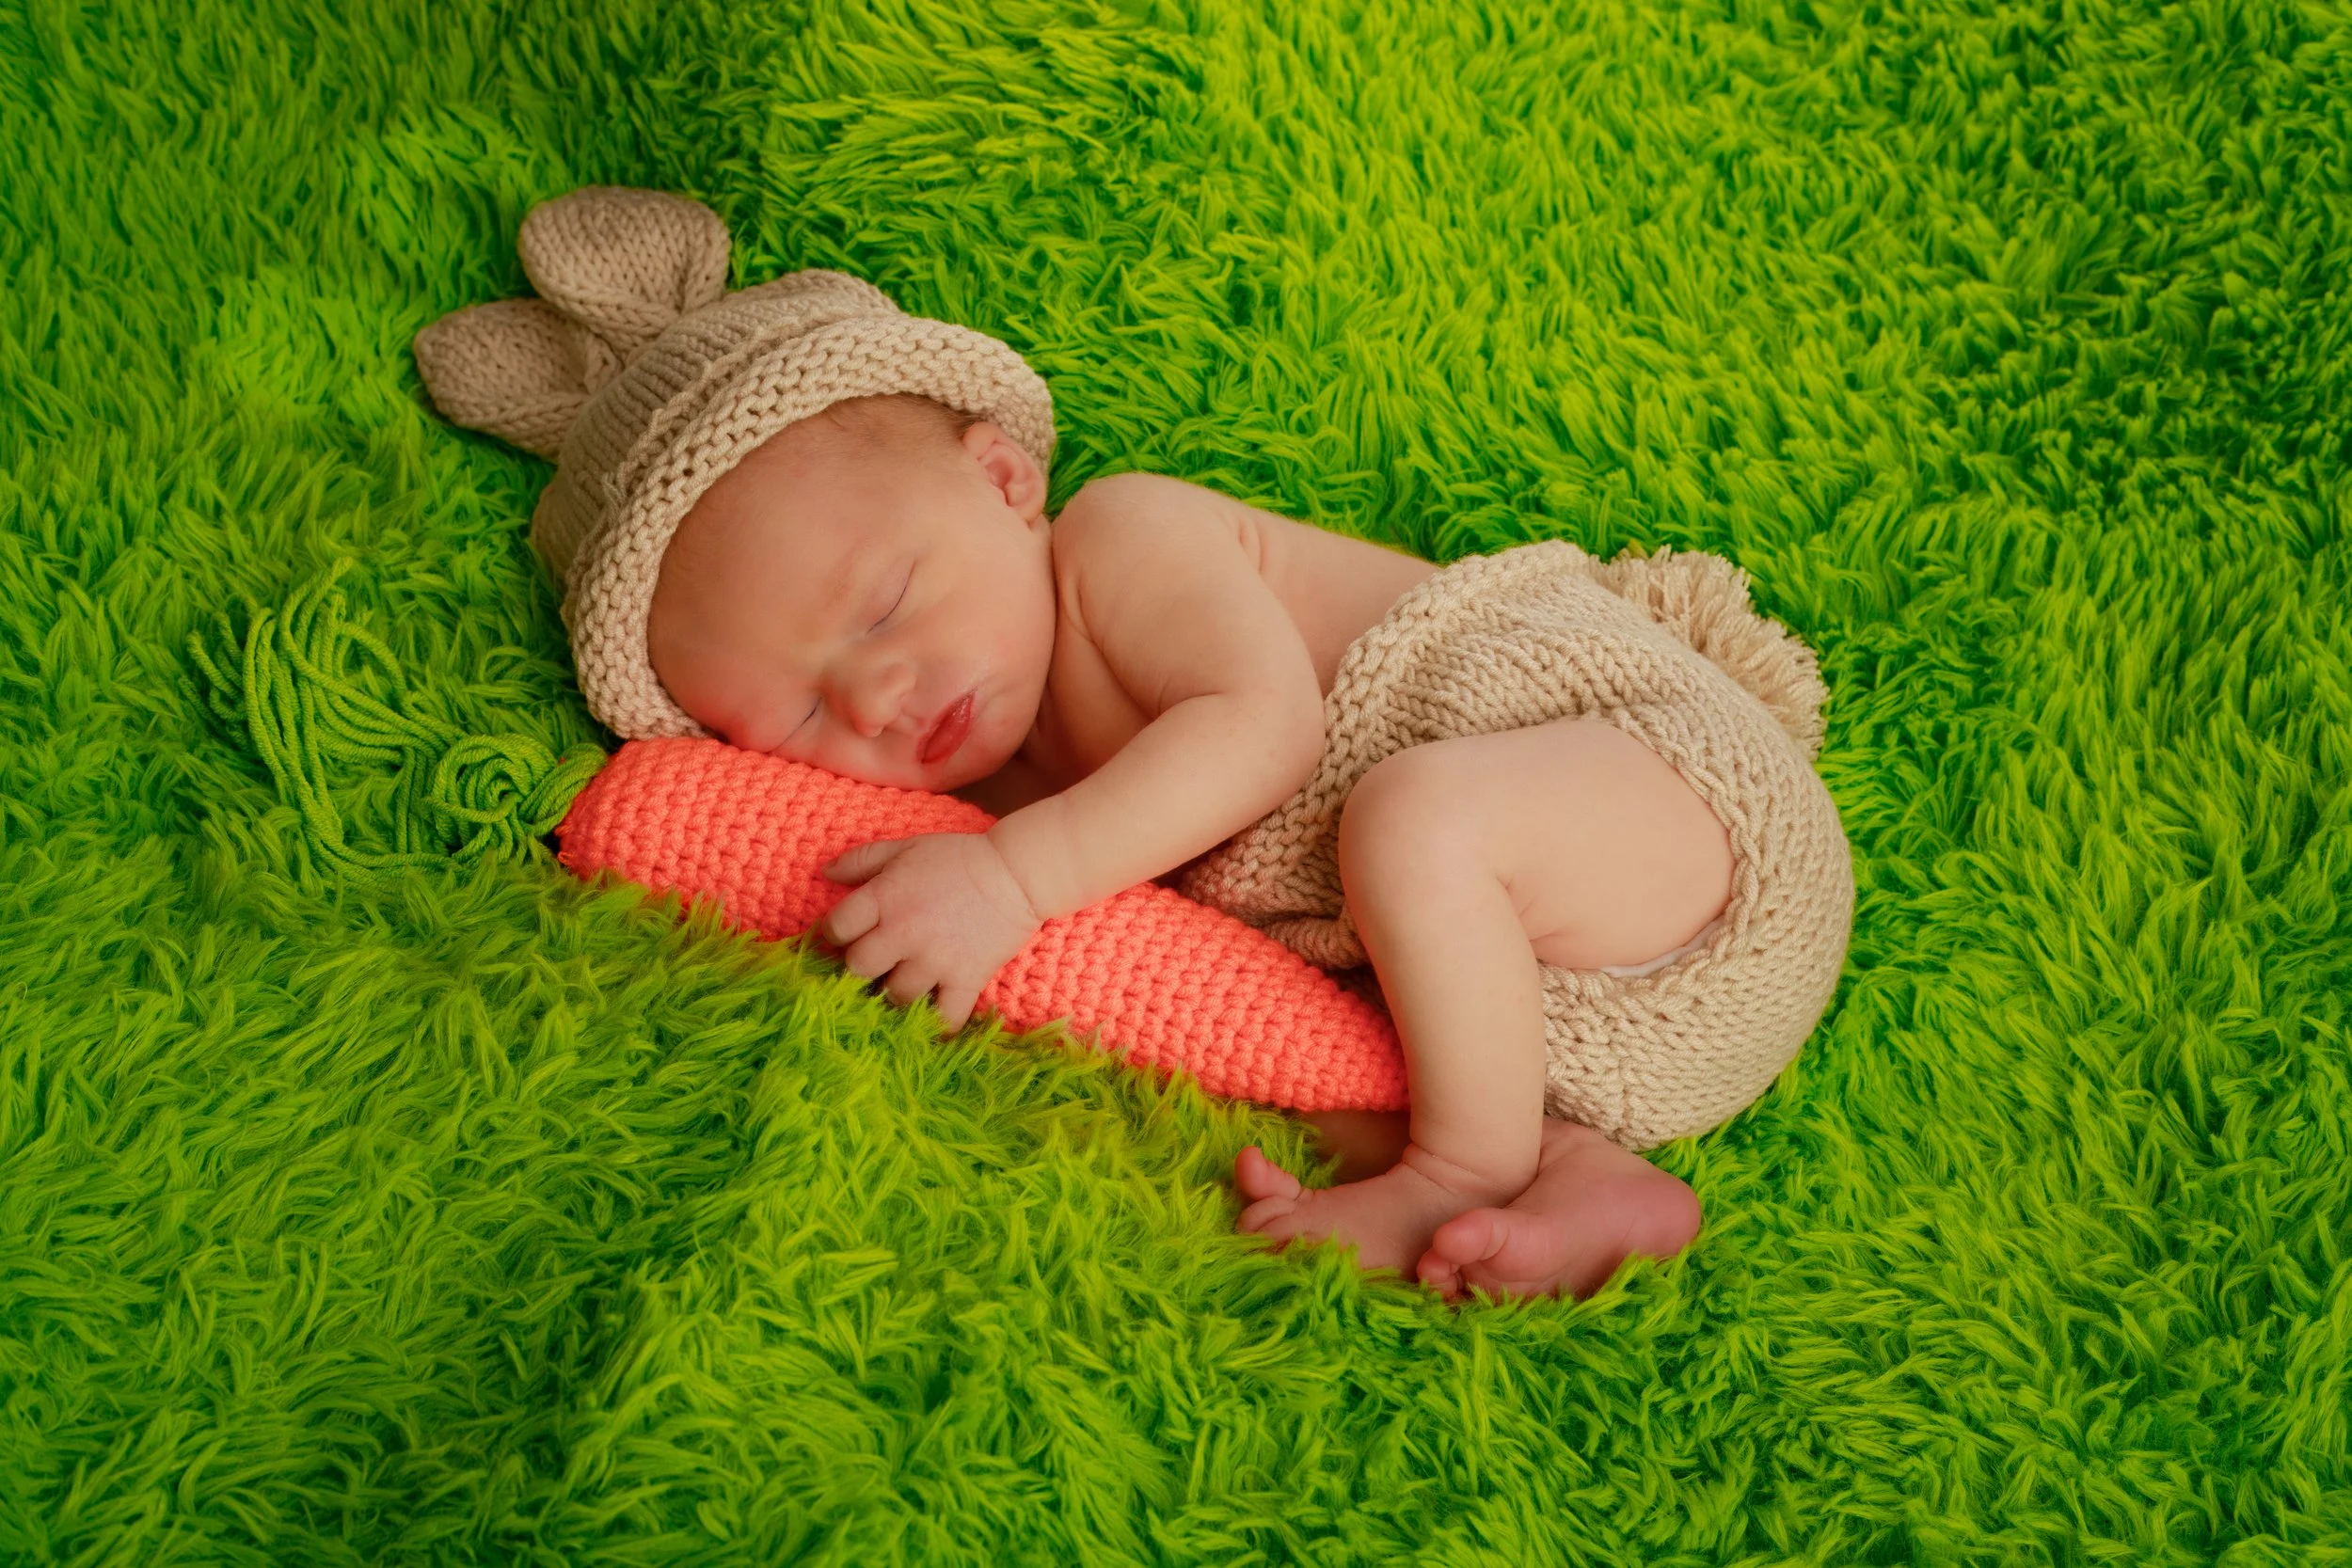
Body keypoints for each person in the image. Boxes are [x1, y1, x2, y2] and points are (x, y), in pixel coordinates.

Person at [415, 187, 1855, 1302]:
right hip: (1599, 1015)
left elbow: (1267, 730)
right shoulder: (1004, 787)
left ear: (1004, 478)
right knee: (1314, 1036)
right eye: (794, 716)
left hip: (1690, 815)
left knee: (1414, 820)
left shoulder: (1124, 542)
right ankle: (1577, 1176)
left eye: (887, 603)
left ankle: (1461, 1165)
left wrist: (1014, 882)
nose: (874, 699)